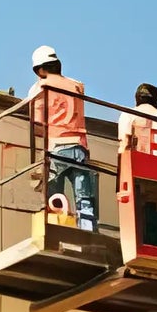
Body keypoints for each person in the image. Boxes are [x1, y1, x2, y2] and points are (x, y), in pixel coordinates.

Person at [26, 46, 96, 233]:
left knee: (54, 195)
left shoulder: (39, 88)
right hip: (79, 147)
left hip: (56, 147)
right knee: (84, 197)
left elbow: (37, 124)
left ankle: (55, 229)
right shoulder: (76, 86)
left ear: (40, 69)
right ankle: (88, 231)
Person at [119, 81, 157, 250]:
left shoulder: (128, 115)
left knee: (140, 213)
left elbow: (124, 145)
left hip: (137, 173)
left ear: (137, 99)